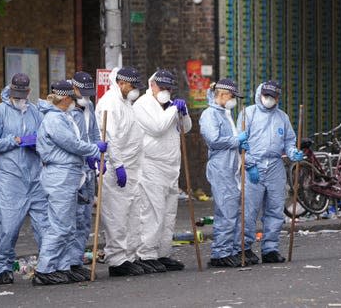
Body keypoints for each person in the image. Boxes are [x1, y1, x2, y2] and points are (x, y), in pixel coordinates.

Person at [33, 80, 107, 285]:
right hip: (60, 175)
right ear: (65, 98)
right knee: (60, 226)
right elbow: (71, 143)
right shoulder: (54, 120)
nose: (75, 102)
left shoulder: (62, 116)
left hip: (68, 174)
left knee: (68, 225)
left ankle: (62, 266)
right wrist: (95, 149)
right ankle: (44, 269)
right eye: (72, 98)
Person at [0, 73, 46, 285]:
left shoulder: (35, 112)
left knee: (45, 226)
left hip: (36, 177)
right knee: (8, 227)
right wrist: (16, 140)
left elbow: (46, 138)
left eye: (23, 94)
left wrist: (36, 143)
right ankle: (3, 267)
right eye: (15, 94)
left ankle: (48, 266)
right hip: (11, 178)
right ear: (10, 89)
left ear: (28, 91)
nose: (19, 98)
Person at [237, 80, 303, 264]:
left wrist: (293, 152)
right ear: (260, 94)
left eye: (272, 97)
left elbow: (289, 141)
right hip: (254, 166)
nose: (269, 99)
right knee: (249, 210)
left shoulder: (282, 117)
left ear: (278, 98)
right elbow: (241, 143)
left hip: (275, 165)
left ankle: (270, 248)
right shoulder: (247, 114)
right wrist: (249, 164)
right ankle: (245, 247)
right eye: (266, 95)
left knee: (275, 209)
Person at [133, 70, 192, 273]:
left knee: (168, 213)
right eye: (162, 87)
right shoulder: (142, 105)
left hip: (171, 166)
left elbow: (186, 129)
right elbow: (157, 127)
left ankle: (162, 252)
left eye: (169, 88)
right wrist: (172, 110)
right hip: (151, 166)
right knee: (153, 211)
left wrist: (183, 113)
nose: (166, 91)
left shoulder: (169, 106)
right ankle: (146, 253)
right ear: (152, 85)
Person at [95, 66, 146, 276]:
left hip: (132, 166)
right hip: (118, 169)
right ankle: (117, 259)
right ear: (122, 83)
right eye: (133, 86)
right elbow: (110, 137)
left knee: (132, 213)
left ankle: (129, 255)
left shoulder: (126, 103)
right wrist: (118, 165)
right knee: (116, 214)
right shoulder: (109, 103)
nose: (135, 90)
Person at [199, 78, 249, 267]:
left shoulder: (225, 113)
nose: (234, 99)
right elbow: (213, 139)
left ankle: (229, 250)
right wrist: (237, 140)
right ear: (222, 94)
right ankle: (220, 253)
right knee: (226, 212)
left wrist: (239, 142)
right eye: (232, 96)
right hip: (221, 168)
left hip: (230, 168)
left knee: (232, 211)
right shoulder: (210, 115)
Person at [68, 71, 101, 276]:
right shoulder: (67, 112)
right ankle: (69, 262)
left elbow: (95, 134)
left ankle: (77, 260)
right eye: (82, 92)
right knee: (74, 217)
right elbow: (72, 141)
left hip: (88, 170)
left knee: (85, 219)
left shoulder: (89, 107)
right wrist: (89, 151)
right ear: (73, 89)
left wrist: (99, 153)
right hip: (74, 170)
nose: (85, 97)